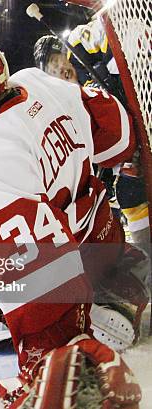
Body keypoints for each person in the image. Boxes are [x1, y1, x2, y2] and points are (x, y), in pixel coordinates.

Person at [0, 35, 141, 407]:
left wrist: (52, 345)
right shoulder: (36, 81)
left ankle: (78, 346)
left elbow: (38, 267)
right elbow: (118, 136)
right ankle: (122, 285)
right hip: (104, 237)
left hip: (69, 269)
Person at [68, 18, 150, 257]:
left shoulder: (131, 21)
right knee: (130, 193)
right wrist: (99, 82)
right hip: (130, 126)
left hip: (139, 109)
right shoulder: (82, 37)